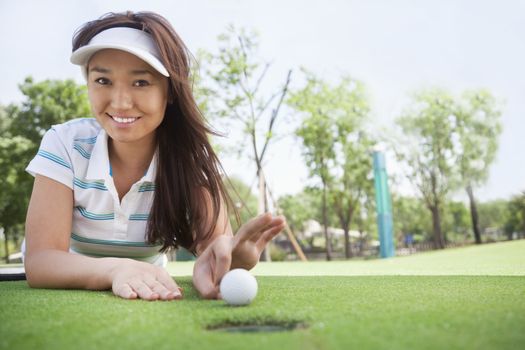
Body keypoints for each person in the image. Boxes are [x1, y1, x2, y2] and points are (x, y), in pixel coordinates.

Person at [23, 11, 285, 301]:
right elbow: (41, 261)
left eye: (141, 83)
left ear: (170, 91)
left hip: (150, 286)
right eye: (102, 80)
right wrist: (115, 270)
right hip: (74, 277)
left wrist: (235, 258)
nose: (120, 102)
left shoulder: (191, 155)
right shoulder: (64, 142)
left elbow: (216, 248)